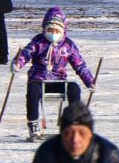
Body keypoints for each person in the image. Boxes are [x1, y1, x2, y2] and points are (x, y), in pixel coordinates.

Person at [12, 7, 97, 142]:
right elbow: (26, 53)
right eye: (50, 30)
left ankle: (73, 123)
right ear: (45, 29)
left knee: (74, 88)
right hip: (39, 79)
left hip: (58, 81)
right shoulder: (38, 41)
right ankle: (33, 125)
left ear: (62, 31)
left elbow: (79, 64)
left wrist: (90, 81)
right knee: (33, 91)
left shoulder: (68, 45)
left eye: (56, 31)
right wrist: (18, 63)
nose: (53, 33)